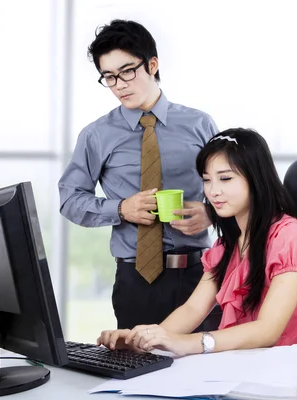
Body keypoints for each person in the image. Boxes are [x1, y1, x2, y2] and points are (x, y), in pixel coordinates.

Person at [97, 128, 297, 356]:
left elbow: (267, 331)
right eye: (207, 180)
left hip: (291, 365)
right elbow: (193, 308)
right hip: (243, 364)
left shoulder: (288, 236)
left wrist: (187, 343)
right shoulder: (226, 246)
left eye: (225, 178)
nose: (213, 191)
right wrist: (143, 339)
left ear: (256, 178)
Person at [58, 19, 219, 330]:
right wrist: (121, 208)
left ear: (152, 64)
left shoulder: (200, 124)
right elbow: (70, 199)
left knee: (205, 370)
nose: (119, 85)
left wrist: (212, 213)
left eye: (127, 71)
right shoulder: (97, 135)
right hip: (136, 280)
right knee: (138, 372)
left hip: (199, 276)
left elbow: (236, 190)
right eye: (109, 77)